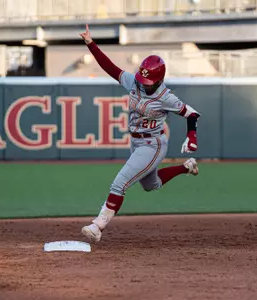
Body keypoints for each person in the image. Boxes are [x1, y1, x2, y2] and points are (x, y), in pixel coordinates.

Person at [79, 25, 201, 243]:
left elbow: (192, 114)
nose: (143, 84)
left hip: (152, 145)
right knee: (150, 185)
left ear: (159, 80)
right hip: (136, 143)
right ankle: (186, 167)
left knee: (119, 183)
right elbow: (111, 68)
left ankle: (98, 226)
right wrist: (90, 43)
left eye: (148, 81)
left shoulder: (166, 97)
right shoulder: (134, 82)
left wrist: (191, 136)